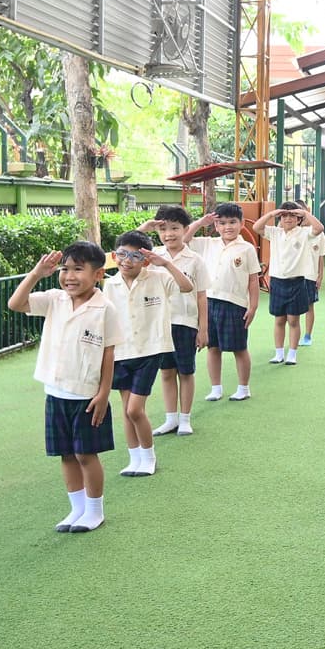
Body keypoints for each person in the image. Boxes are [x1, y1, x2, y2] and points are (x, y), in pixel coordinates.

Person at [9, 243, 116, 532]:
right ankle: (77, 509)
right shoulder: (54, 299)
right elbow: (16, 304)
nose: (69, 276)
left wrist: (104, 392)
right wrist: (36, 273)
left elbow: (108, 353)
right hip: (55, 392)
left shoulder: (105, 308)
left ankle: (95, 511)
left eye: (78, 269)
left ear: (97, 274)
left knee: (85, 454)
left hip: (86, 395)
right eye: (65, 269)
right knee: (66, 454)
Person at [104, 230, 193, 476]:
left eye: (135, 256)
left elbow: (187, 287)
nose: (127, 260)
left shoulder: (158, 277)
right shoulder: (109, 285)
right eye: (122, 254)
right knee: (125, 410)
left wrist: (165, 263)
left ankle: (149, 456)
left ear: (145, 259)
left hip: (151, 350)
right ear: (114, 255)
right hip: (121, 351)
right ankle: (135, 459)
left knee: (135, 409)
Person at [142, 206, 209, 437]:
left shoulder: (195, 260)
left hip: (186, 322)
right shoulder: (151, 256)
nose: (168, 234)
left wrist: (203, 329)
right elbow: (125, 251)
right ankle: (170, 419)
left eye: (174, 228)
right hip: (159, 323)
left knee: (185, 372)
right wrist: (145, 228)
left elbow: (201, 296)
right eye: (163, 229)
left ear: (185, 230)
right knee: (167, 372)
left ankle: (185, 419)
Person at [189, 203, 260, 401]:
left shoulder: (246, 248)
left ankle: (243, 388)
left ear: (242, 223)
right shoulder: (208, 243)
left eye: (232, 222)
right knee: (212, 347)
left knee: (239, 347)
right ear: (216, 225)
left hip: (235, 304)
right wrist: (200, 222)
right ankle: (216, 388)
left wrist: (253, 306)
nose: (227, 227)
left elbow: (253, 279)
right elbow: (185, 239)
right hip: (209, 302)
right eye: (222, 223)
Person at [254, 200, 325, 365]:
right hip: (278, 282)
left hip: (297, 282)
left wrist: (306, 213)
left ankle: (292, 353)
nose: (288, 219)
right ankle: (279, 353)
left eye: (292, 216)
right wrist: (272, 214)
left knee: (293, 320)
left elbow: (319, 228)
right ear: (280, 218)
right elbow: (256, 227)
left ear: (298, 218)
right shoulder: (275, 233)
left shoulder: (304, 233)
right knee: (279, 320)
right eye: (285, 215)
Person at [300, 223, 325, 346]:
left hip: (310, 276)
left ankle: (307, 335)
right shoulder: (293, 231)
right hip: (294, 275)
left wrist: (320, 275)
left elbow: (321, 255)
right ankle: (292, 336)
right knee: (291, 311)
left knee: (309, 306)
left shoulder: (318, 233)